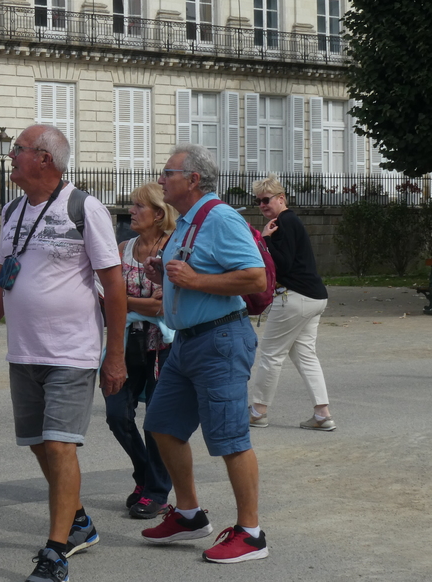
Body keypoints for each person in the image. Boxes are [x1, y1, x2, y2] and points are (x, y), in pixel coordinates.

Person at [0, 124, 128, 582]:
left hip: (72, 351)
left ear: (44, 158)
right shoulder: (13, 210)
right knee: (39, 443)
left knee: (59, 445)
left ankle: (56, 553)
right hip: (25, 350)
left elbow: (114, 284)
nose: (10, 156)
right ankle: (78, 521)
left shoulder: (84, 208)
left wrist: (114, 354)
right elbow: (3, 277)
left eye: (17, 149)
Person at [140, 144, 270, 564]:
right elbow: (194, 272)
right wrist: (167, 276)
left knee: (230, 437)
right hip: (188, 342)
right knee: (162, 425)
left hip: (220, 339)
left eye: (168, 172)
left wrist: (193, 280)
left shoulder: (219, 217)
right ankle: (189, 514)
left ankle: (251, 534)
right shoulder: (187, 222)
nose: (161, 179)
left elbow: (255, 278)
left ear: (193, 179)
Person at [105, 182, 176, 520]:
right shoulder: (122, 249)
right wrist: (139, 303)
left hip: (162, 347)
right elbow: (106, 298)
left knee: (156, 421)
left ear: (158, 214)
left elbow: (164, 307)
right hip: (124, 344)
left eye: (138, 206)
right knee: (116, 414)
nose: (131, 211)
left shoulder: (171, 249)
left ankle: (156, 492)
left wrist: (123, 301)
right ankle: (144, 473)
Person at [248, 175, 335, 431]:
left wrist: (264, 240)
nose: (262, 205)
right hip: (314, 297)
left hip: (295, 297)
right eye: (258, 201)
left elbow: (283, 264)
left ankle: (258, 411)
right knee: (306, 355)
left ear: (281, 198)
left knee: (271, 355)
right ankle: (322, 414)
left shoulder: (284, 221)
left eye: (266, 200)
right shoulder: (290, 220)